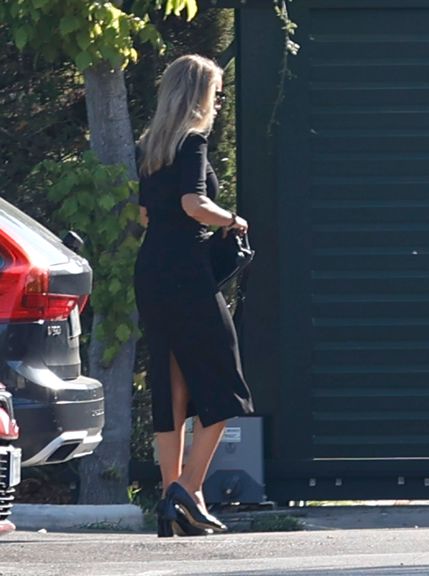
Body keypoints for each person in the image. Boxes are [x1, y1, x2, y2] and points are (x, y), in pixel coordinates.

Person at [134, 54, 254, 537]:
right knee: (227, 383)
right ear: (198, 94)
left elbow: (147, 216)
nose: (220, 102)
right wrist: (233, 219)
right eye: (217, 93)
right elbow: (193, 204)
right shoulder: (193, 140)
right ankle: (189, 487)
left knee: (171, 379)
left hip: (152, 270)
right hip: (186, 271)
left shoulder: (151, 145)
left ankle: (175, 502)